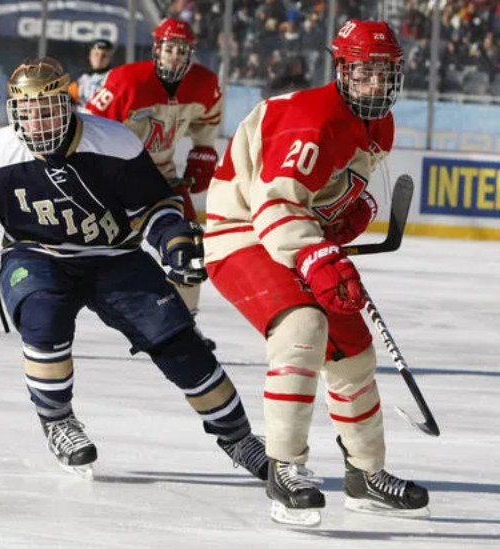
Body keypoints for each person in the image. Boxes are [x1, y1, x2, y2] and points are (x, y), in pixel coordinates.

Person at [0, 56, 267, 481]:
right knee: (42, 316)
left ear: (67, 106)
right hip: (36, 255)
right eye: (28, 112)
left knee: (179, 341)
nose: (38, 122)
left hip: (115, 256)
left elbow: (155, 205)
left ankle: (239, 438)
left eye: (47, 110)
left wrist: (172, 239)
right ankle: (58, 420)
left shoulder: (113, 141)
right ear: (14, 113)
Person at [203, 19, 429, 526]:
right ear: (342, 70)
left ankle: (365, 475)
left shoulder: (380, 124)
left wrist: (341, 216)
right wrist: (317, 256)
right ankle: (285, 468)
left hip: (291, 234)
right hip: (242, 233)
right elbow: (276, 205)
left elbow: (316, 198)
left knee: (353, 351)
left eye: (386, 72)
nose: (376, 83)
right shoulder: (314, 119)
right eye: (365, 72)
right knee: (303, 327)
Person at [85, 18, 222, 351]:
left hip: (163, 177)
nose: (175, 56)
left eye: (182, 50)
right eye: (170, 49)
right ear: (157, 49)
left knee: (189, 247)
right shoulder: (126, 80)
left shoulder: (204, 83)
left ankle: (186, 327)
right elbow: (90, 127)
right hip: (117, 178)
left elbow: (208, 121)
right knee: (89, 256)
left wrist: (203, 150)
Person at [67, 38, 115, 112]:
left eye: (104, 55)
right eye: (96, 54)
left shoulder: (114, 78)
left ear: (110, 58)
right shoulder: (80, 78)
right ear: (89, 55)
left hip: (102, 117)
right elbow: (68, 98)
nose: (99, 58)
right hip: (81, 117)